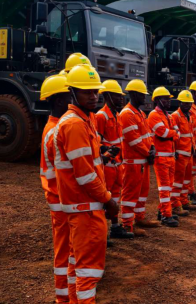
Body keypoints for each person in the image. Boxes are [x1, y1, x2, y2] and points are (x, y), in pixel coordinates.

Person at [53, 64, 119, 303]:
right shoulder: (74, 124)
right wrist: (108, 199)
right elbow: (85, 176)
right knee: (88, 273)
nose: (93, 96)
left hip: (84, 207)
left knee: (77, 267)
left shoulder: (85, 119)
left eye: (95, 91)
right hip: (85, 209)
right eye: (86, 92)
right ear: (72, 93)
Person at [39, 75, 73, 303]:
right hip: (60, 200)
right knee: (64, 251)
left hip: (57, 198)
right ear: (59, 101)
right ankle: (63, 298)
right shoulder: (55, 131)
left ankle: (68, 294)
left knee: (67, 249)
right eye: (68, 97)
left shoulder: (52, 127)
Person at [119, 79, 160, 237]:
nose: (145, 97)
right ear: (134, 94)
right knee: (130, 194)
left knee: (143, 192)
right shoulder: (127, 114)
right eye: (142, 95)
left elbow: (147, 136)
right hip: (133, 163)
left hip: (142, 161)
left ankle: (139, 218)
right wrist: (147, 152)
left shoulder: (140, 114)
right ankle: (127, 225)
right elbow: (133, 140)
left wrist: (152, 149)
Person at [96, 80, 134, 239]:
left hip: (118, 164)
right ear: (107, 96)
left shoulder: (117, 115)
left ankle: (115, 226)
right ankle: (102, 232)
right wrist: (106, 152)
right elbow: (95, 142)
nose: (120, 99)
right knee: (106, 197)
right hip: (108, 165)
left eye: (120, 96)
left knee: (116, 196)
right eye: (117, 96)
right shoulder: (101, 116)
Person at [147, 87, 180, 227]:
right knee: (164, 187)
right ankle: (167, 215)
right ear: (158, 100)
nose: (168, 101)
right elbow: (163, 133)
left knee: (169, 186)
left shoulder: (169, 116)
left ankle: (163, 211)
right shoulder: (154, 115)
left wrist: (171, 133)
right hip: (161, 158)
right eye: (166, 99)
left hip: (170, 157)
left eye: (169, 98)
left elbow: (176, 133)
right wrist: (172, 133)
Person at [171, 90, 196, 214]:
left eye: (189, 103)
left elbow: (191, 135)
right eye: (185, 103)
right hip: (180, 153)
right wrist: (174, 151)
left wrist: (194, 149)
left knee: (187, 180)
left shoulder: (190, 116)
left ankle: (184, 201)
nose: (187, 105)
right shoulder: (175, 116)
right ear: (180, 103)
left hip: (189, 153)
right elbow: (173, 136)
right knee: (178, 180)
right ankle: (175, 204)